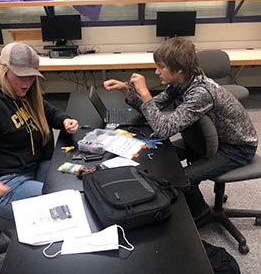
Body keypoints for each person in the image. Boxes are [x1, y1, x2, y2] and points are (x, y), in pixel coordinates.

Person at [103, 37, 258, 220]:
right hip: (207, 139)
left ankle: (201, 213)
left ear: (179, 69)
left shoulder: (200, 93)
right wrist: (126, 91)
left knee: (181, 178)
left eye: (161, 67)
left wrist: (144, 93)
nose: (156, 71)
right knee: (159, 154)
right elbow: (153, 107)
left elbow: (164, 129)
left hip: (237, 148)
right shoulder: (181, 83)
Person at [0, 42, 79, 219]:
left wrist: (64, 120)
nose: (27, 82)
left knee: (77, 182)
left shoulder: (25, 94)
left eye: (31, 76)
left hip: (32, 167)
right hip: (5, 183)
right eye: (20, 75)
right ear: (4, 70)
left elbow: (49, 111)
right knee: (68, 205)